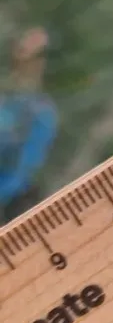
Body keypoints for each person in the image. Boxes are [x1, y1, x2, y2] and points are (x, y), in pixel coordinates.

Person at [0, 27, 58, 224]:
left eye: (40, 55)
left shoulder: (42, 112)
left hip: (13, 207)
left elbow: (28, 162)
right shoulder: (7, 99)